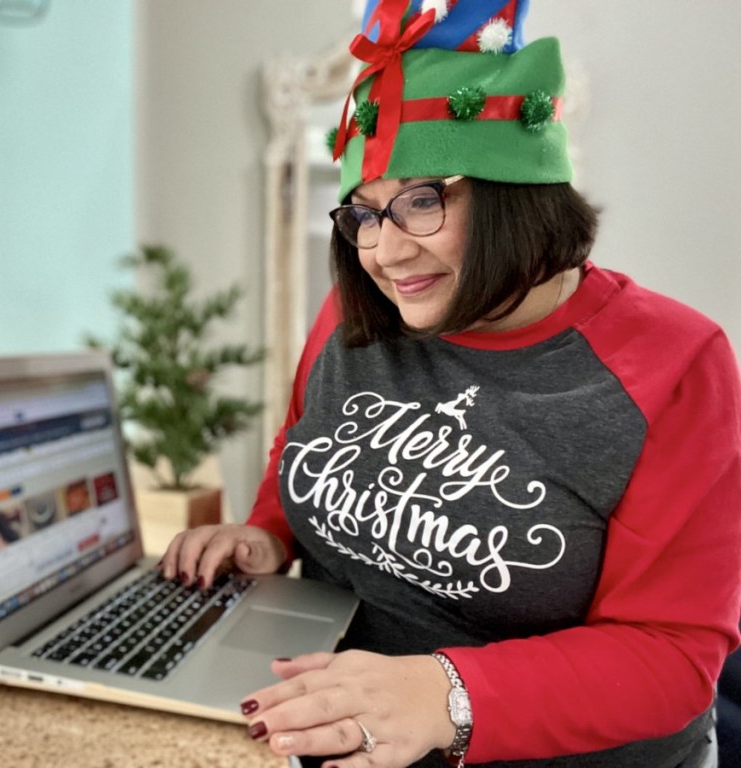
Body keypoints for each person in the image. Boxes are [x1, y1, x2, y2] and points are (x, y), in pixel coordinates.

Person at [159, 0, 741, 766]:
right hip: (342, 734)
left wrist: (449, 695)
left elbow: (671, 659)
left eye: (424, 199)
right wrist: (266, 533)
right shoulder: (355, 311)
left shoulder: (677, 362)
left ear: (516, 191)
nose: (386, 251)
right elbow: (308, 446)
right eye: (364, 215)